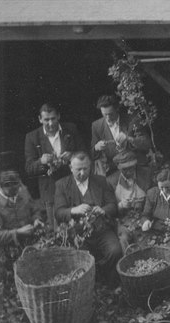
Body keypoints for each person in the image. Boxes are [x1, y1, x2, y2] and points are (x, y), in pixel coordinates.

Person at [54, 151, 122, 284]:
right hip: (77, 234)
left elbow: (113, 206)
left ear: (90, 167)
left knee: (115, 251)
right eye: (78, 169)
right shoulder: (61, 185)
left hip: (101, 229)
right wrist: (74, 210)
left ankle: (109, 282)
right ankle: (92, 285)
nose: (82, 173)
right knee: (83, 259)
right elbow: (58, 213)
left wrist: (103, 210)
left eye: (86, 168)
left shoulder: (101, 181)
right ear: (71, 168)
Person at [24, 103, 83, 227]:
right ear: (40, 119)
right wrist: (41, 161)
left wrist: (73, 155)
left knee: (76, 225)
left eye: (53, 119)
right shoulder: (32, 137)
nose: (50, 123)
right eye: (46, 120)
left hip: (72, 186)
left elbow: (84, 153)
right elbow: (29, 169)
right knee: (55, 227)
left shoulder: (71, 129)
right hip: (49, 190)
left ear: (58, 116)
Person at [0, 170, 45, 272]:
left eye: (18, 188)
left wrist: (36, 219)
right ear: (3, 187)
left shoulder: (23, 191)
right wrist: (17, 232)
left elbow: (35, 209)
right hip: (7, 251)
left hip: (30, 243)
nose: (17, 192)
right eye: (12, 191)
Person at [91, 94, 152, 175]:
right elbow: (92, 154)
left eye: (111, 114)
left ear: (117, 109)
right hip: (115, 171)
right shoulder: (96, 126)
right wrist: (96, 147)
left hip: (137, 167)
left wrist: (129, 138)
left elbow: (147, 143)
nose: (108, 118)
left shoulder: (132, 119)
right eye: (105, 114)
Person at [107, 150, 153, 251]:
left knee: (145, 241)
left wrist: (142, 204)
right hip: (123, 219)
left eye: (131, 168)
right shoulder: (111, 181)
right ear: (119, 168)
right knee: (124, 239)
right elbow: (109, 207)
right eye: (124, 169)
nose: (129, 171)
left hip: (144, 215)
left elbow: (154, 196)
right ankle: (128, 261)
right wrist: (120, 205)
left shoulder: (146, 174)